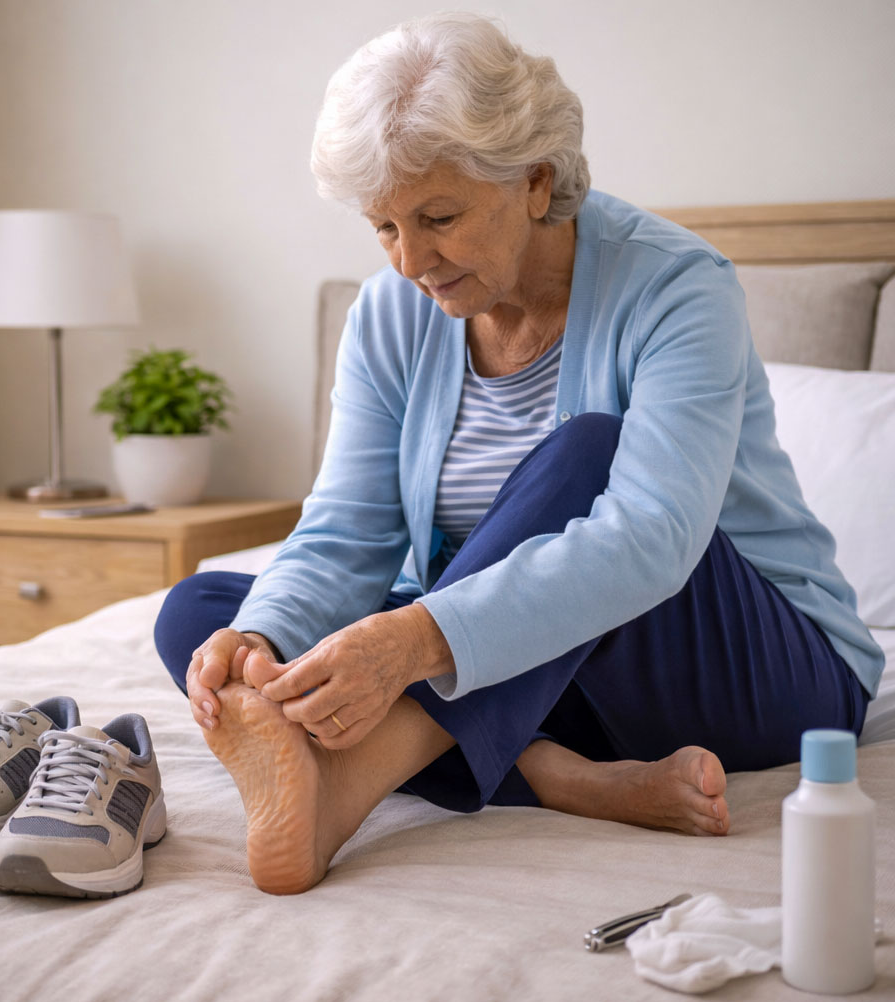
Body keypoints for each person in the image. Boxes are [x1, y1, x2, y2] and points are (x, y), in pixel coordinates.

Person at [154, 13, 882, 895]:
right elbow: (346, 530)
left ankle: (349, 783)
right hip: (541, 671)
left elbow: (649, 538)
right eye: (383, 226)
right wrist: (267, 636)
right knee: (207, 615)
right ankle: (553, 772)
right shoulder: (391, 315)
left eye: (439, 216)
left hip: (756, 669)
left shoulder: (677, 287)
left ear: (535, 180)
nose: (412, 260)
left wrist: (414, 638)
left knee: (588, 455)